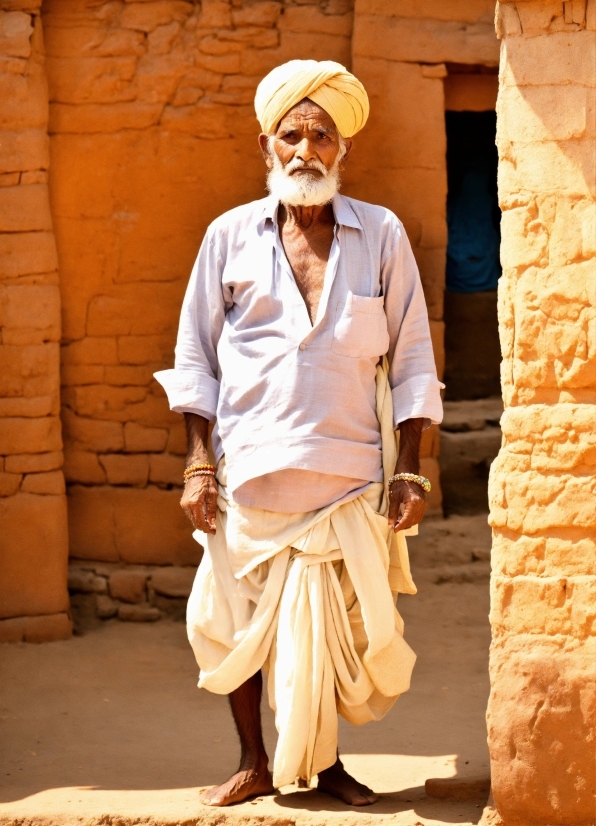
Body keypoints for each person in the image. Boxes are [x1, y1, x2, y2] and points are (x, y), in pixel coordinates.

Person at [155, 59, 443, 808]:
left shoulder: (379, 235)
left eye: (322, 135)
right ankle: (254, 759)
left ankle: (328, 762)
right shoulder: (228, 238)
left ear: (344, 150)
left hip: (352, 476)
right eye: (292, 135)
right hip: (249, 469)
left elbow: (412, 356)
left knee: (335, 630)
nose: (306, 150)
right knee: (236, 624)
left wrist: (411, 469)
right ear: (265, 145)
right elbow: (195, 357)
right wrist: (197, 466)